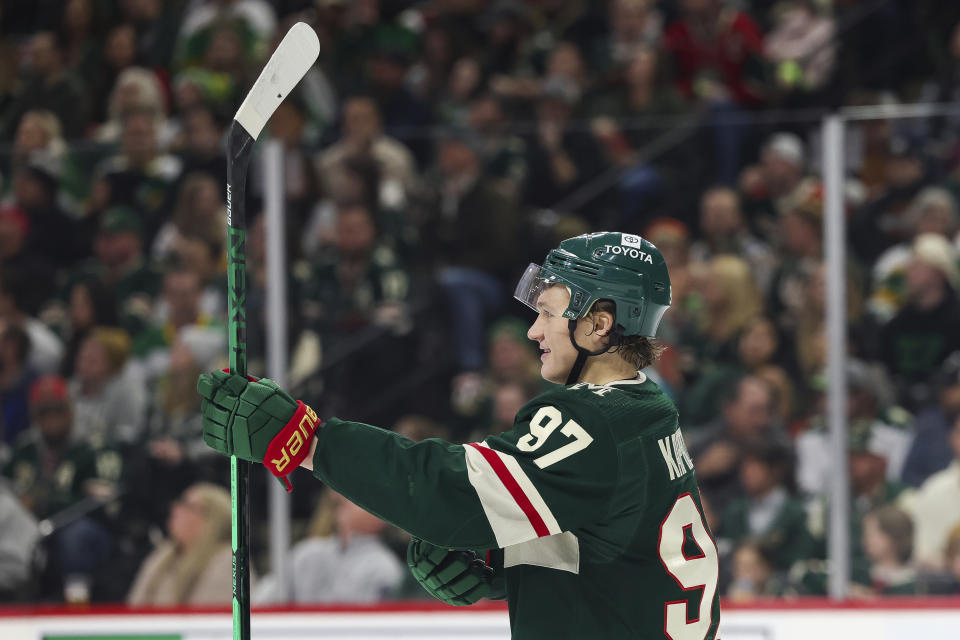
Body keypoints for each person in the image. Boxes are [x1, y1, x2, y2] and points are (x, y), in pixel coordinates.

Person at [198, 232, 721, 639]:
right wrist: (506, 562)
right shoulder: (646, 409)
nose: (535, 331)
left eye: (547, 312)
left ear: (599, 324)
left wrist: (305, 439)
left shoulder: (591, 422)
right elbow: (617, 548)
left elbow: (450, 493)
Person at [126, 482, 236, 607]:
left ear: (211, 519)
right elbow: (135, 605)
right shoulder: (163, 555)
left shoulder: (228, 561)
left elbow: (211, 616)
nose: (175, 509)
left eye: (186, 505)